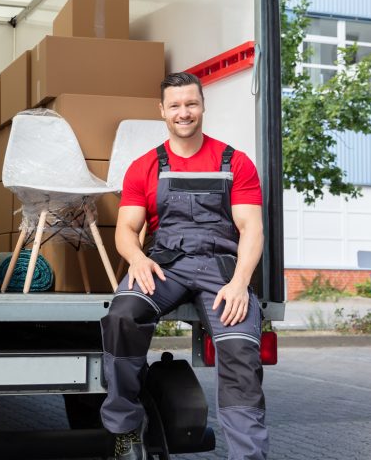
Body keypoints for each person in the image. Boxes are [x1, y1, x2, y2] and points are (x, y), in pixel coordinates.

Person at [100, 72, 268, 460]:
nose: (184, 112)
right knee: (122, 316)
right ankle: (125, 431)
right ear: (162, 111)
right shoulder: (145, 165)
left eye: (191, 103)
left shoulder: (234, 162)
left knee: (241, 350)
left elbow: (251, 228)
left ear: (203, 106)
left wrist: (241, 282)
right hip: (165, 264)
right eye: (175, 105)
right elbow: (126, 228)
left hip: (220, 266)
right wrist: (138, 258)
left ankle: (249, 456)